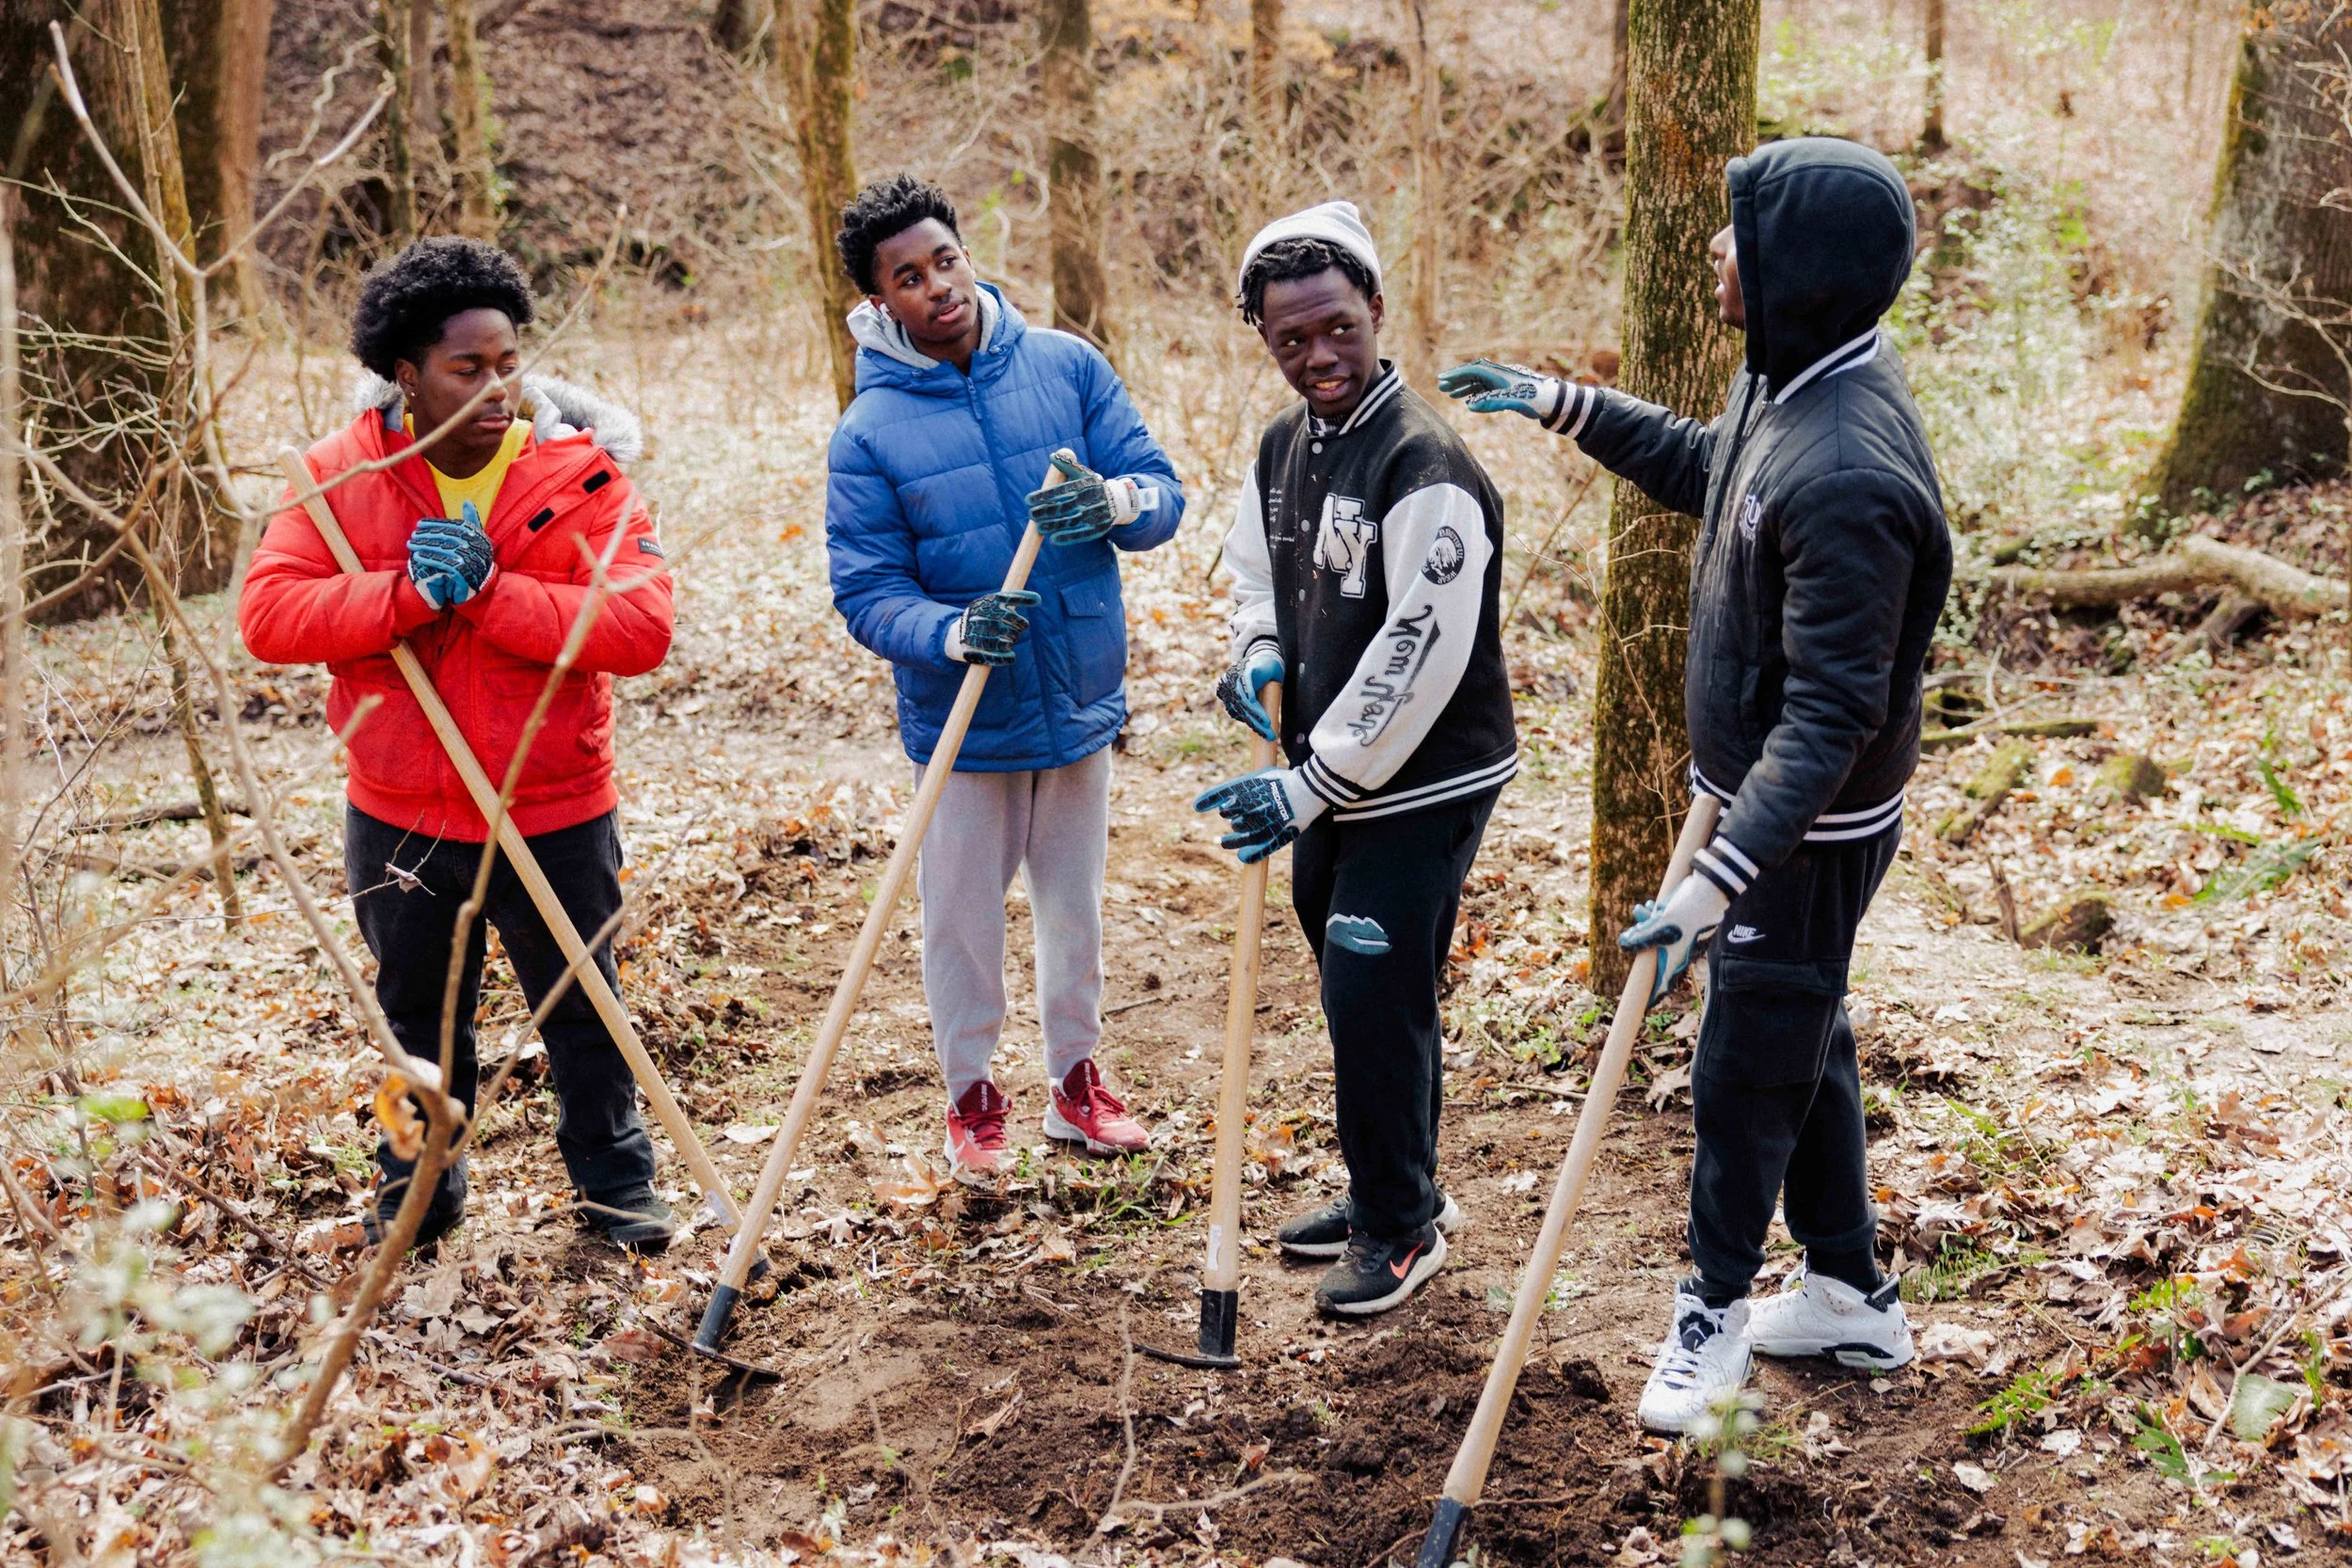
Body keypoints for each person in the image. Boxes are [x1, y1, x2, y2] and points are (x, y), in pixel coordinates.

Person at [1441, 137, 1953, 1431]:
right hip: (1760, 797)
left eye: (1741, 236)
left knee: (1743, 1060)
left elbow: (1837, 708)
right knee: (1800, 1027)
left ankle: (1714, 1316)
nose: (1716, 253)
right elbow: (1708, 472)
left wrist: (1722, 877)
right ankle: (1849, 1291)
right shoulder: (1792, 380)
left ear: (1805, 273)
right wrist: (1567, 406)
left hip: (1802, 820)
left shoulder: (1850, 470)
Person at [242, 237, 678, 1252]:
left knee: (584, 1009)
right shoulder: (336, 478)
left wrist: (488, 592)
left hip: (554, 803)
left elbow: (640, 626)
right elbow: (269, 615)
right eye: (467, 367)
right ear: (406, 372)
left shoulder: (577, 477)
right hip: (402, 809)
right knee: (415, 1028)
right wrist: (403, 591)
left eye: (508, 362)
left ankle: (617, 1189)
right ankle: (415, 1191)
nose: (498, 387)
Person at [822, 174, 1187, 1180]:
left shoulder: (1067, 366)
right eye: (908, 276)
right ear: (876, 299)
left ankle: (1077, 1082)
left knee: (1075, 908)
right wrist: (950, 631)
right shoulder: (867, 434)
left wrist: (1112, 502)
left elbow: (1163, 494)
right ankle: (972, 1096)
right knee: (963, 921)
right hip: (964, 717)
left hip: (1075, 691)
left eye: (945, 260)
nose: (937, 286)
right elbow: (866, 594)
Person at [1198, 201, 1518, 1317]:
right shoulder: (1286, 445)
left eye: (1337, 327)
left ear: (1376, 309)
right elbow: (1253, 573)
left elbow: (1417, 652)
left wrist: (1305, 782)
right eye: (1292, 340)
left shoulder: (1424, 459)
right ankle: (1399, 1180)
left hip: (1421, 773)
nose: (1319, 356)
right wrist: (1258, 648)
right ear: (1266, 341)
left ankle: (1399, 1227)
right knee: (1359, 990)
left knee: (1370, 983)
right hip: (1324, 770)